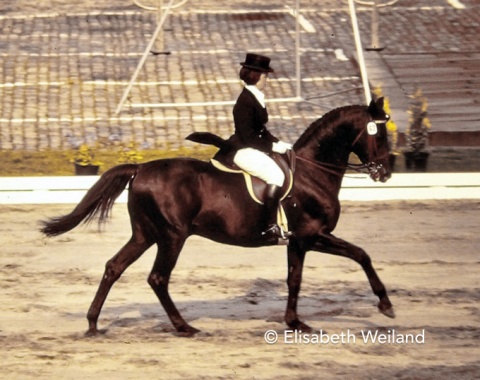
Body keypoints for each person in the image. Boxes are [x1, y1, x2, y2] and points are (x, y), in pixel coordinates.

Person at [228, 53, 292, 239]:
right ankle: (269, 225)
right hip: (243, 150)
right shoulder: (245, 102)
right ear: (257, 77)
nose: (267, 80)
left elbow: (260, 130)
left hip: (253, 146)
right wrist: (272, 148)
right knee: (276, 175)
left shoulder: (255, 96)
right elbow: (249, 137)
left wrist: (277, 142)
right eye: (265, 76)